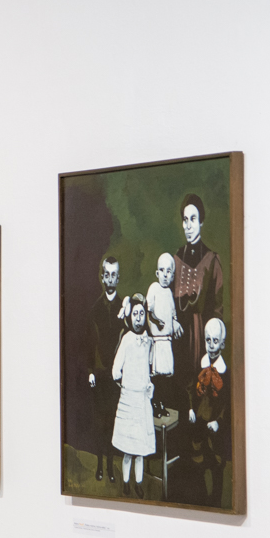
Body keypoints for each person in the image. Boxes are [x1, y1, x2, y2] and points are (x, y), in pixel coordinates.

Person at [172, 194, 223, 414]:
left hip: (203, 339)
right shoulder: (176, 259)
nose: (188, 225)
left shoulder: (212, 260)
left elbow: (217, 310)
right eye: (185, 220)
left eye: (193, 219)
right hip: (179, 339)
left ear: (201, 221)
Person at [181, 317, 231, 507]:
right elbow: (190, 389)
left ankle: (215, 501)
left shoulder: (224, 372)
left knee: (216, 464)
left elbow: (226, 403)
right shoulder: (200, 365)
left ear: (222, 344)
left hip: (214, 426)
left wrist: (219, 421)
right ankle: (200, 499)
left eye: (215, 341)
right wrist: (190, 408)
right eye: (208, 340)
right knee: (198, 462)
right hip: (200, 423)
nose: (211, 345)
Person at [111, 294, 154, 499]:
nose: (138, 318)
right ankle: (126, 482)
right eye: (135, 314)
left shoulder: (148, 341)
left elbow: (150, 367)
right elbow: (115, 370)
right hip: (129, 400)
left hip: (142, 401)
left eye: (141, 314)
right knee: (128, 449)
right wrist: (125, 384)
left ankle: (138, 483)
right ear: (130, 316)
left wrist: (148, 385)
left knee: (140, 449)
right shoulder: (127, 339)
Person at [85, 257, 124, 482]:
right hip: (100, 375)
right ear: (102, 277)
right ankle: (100, 465)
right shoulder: (95, 310)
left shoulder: (124, 309)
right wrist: (90, 370)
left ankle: (110, 467)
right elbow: (89, 344)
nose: (110, 279)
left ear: (118, 278)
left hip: (117, 376)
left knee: (112, 422)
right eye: (106, 274)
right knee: (99, 423)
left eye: (113, 275)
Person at [146, 252, 183, 417]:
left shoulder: (169, 294)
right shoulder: (154, 288)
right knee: (156, 377)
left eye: (169, 271)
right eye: (162, 270)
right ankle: (155, 405)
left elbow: (173, 315)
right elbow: (148, 311)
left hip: (167, 342)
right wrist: (156, 320)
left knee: (165, 378)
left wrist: (175, 323)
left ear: (173, 276)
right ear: (157, 273)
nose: (165, 275)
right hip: (157, 342)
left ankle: (162, 404)